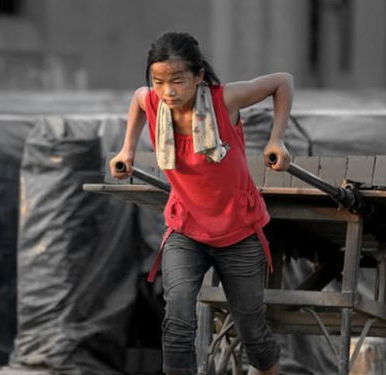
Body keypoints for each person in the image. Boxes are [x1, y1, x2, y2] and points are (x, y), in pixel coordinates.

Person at [110, 31, 292, 375]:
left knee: (252, 330)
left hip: (238, 232)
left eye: (177, 80)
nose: (168, 91)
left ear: (199, 76)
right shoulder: (152, 102)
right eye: (159, 81)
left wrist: (277, 139)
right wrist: (127, 149)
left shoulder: (226, 101)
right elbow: (137, 98)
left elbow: (283, 82)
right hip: (186, 229)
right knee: (177, 315)